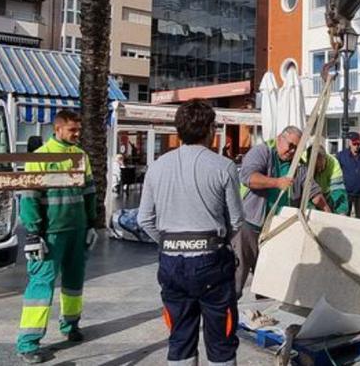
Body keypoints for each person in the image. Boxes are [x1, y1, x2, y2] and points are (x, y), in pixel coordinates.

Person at [138, 100, 244, 366]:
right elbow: (237, 220)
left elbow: (144, 219)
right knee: (221, 339)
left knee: (180, 337)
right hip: (212, 260)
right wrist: (220, 240)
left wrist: (167, 242)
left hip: (172, 262)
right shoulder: (224, 167)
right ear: (209, 129)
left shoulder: (157, 167)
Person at [15, 110, 99, 364]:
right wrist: (32, 232)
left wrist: (91, 224)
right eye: (73, 130)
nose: (77, 134)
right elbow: (29, 196)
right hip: (49, 234)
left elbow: (89, 192)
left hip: (76, 230)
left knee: (74, 283)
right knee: (41, 286)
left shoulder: (81, 156)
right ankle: (28, 343)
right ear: (58, 129)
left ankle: (70, 326)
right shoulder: (40, 157)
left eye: (79, 130)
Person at [233, 126, 327, 292]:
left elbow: (314, 193)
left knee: (271, 283)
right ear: (279, 138)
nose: (292, 151)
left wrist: (329, 216)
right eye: (290, 145)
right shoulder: (262, 152)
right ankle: (228, 313)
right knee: (237, 278)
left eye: (297, 149)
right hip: (250, 225)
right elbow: (248, 177)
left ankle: (264, 312)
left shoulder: (299, 167)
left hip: (276, 230)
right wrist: (277, 182)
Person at [336, 132, 360, 219]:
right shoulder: (341, 156)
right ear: (349, 143)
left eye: (358, 143)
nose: (356, 146)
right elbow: (336, 171)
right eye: (354, 144)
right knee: (344, 217)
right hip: (346, 192)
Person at [310, 145, 349, 215]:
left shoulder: (334, 164)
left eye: (321, 167)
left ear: (325, 158)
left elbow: (338, 191)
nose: (319, 170)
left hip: (327, 194)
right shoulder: (302, 161)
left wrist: (341, 212)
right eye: (316, 168)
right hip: (309, 196)